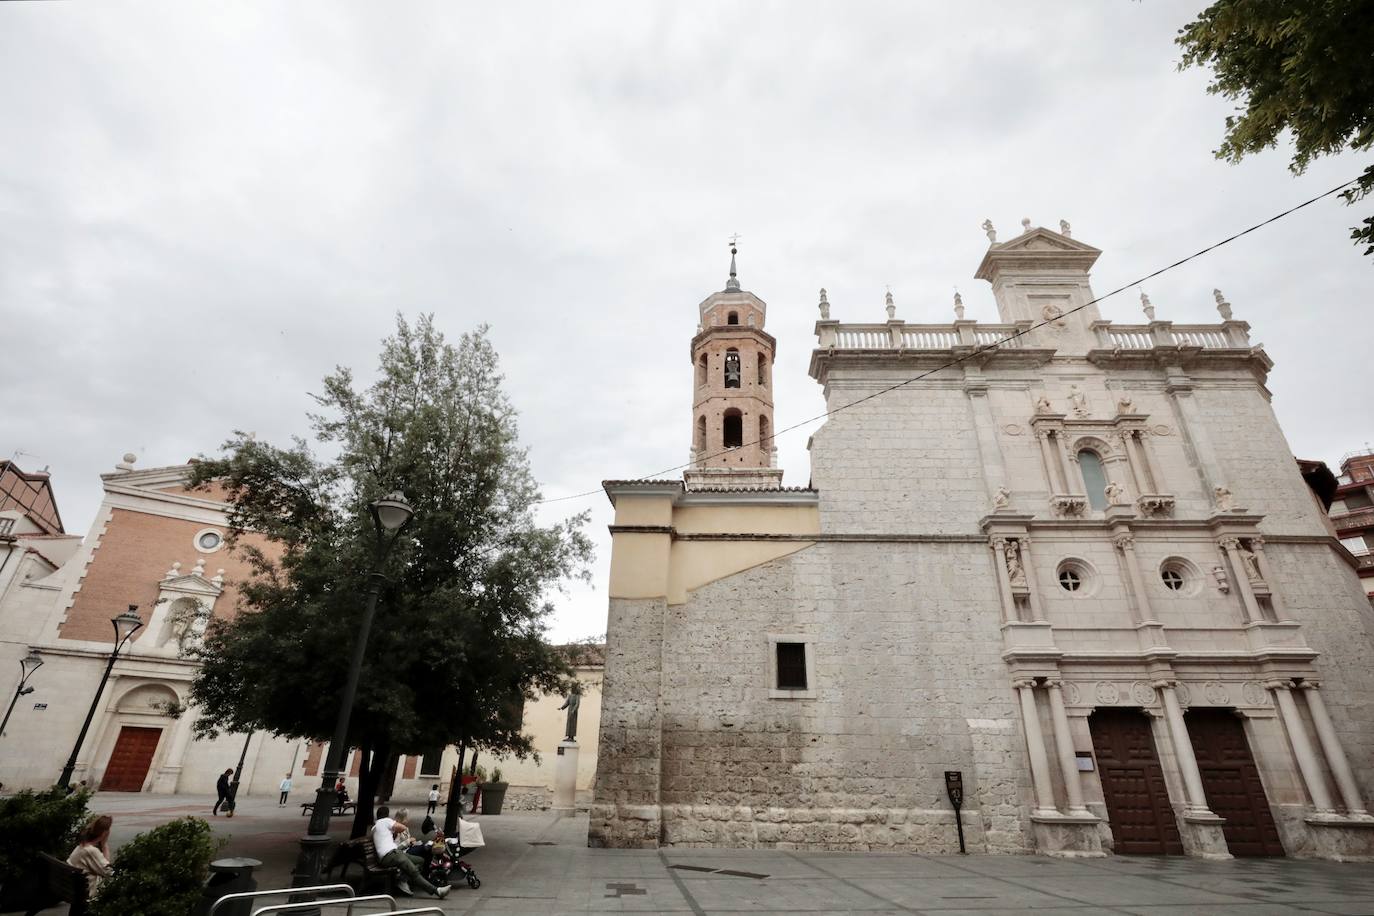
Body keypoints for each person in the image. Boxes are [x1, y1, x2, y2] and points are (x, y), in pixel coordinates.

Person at [371, 806, 449, 899]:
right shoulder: (385, 821)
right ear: (387, 815)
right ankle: (437, 891)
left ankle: (402, 878)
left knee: (420, 860)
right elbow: (402, 827)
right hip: (391, 854)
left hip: (390, 855)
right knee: (414, 871)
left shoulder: (374, 828)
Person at [67, 815, 114, 897]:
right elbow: (109, 872)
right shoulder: (90, 850)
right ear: (104, 833)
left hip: (75, 890)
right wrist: (104, 846)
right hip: (87, 894)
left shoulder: (81, 845)